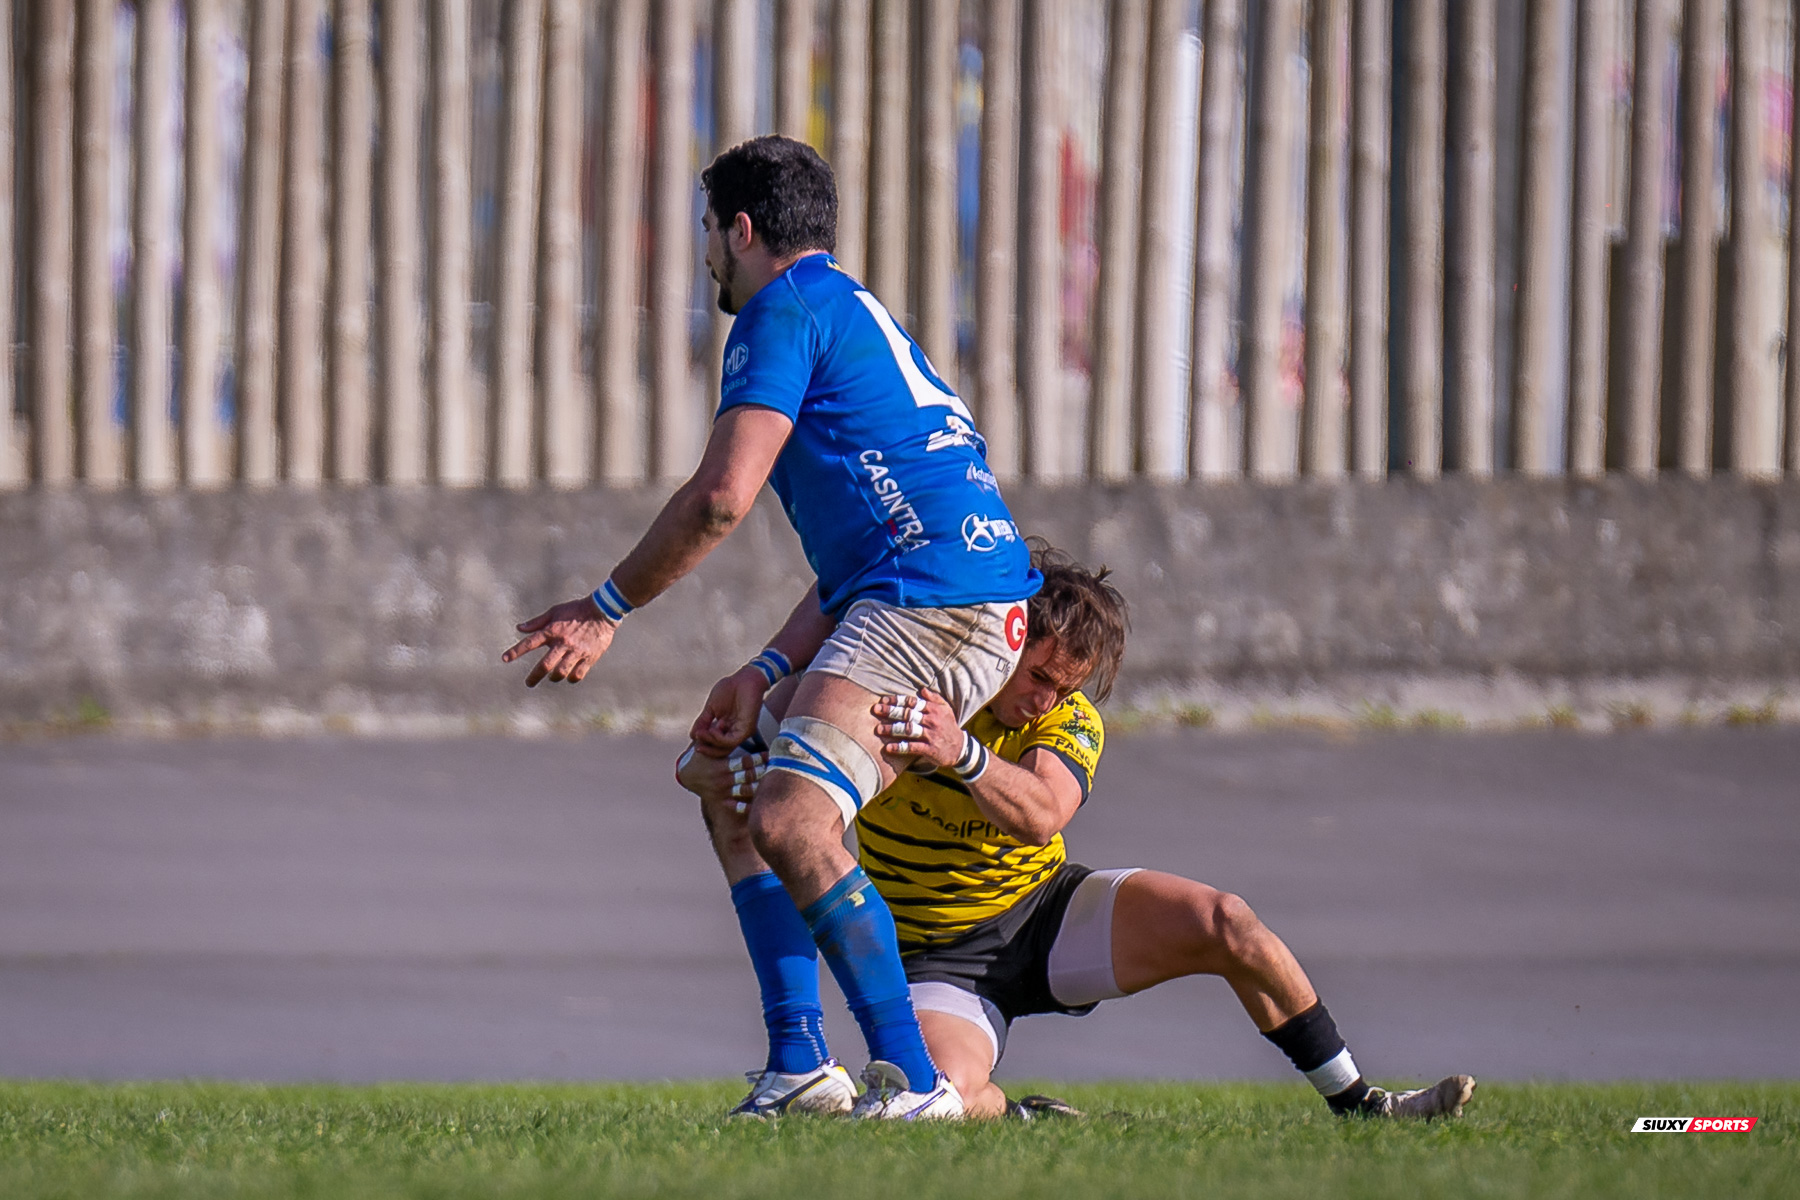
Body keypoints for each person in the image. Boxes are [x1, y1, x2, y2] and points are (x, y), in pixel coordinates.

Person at [504, 135, 1040, 1119]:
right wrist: (764, 668)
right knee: (729, 774)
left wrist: (604, 608)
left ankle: (914, 1083)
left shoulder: (780, 310)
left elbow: (722, 496)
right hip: (926, 594)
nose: (707, 252)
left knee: (793, 819)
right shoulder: (843, 306)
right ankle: (800, 1064)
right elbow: (866, 554)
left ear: (741, 231)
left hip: (933, 603)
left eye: (709, 230)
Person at [678, 545, 1476, 1121]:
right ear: (1006, 639)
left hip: (1047, 913)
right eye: (1037, 677)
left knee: (1226, 921)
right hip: (936, 954)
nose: (1044, 700)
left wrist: (961, 753)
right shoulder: (912, 687)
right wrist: (720, 762)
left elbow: (1042, 814)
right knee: (940, 1099)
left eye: (1064, 688)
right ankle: (1018, 1116)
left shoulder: (1065, 720)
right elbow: (735, 764)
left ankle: (1360, 1102)